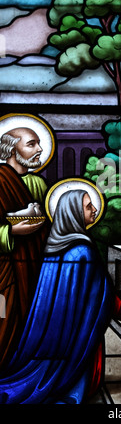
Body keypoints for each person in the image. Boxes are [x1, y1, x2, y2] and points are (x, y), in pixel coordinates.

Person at [0, 189, 121, 404]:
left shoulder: (53, 247)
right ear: (73, 213)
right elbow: (100, 295)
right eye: (88, 207)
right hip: (71, 344)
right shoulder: (82, 252)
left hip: (50, 341)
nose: (95, 210)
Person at [0, 126, 51, 369]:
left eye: (39, 143)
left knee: (30, 320)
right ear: (11, 150)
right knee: (4, 319)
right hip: (5, 272)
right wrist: (11, 231)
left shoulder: (38, 184)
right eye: (31, 144)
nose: (39, 149)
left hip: (34, 266)